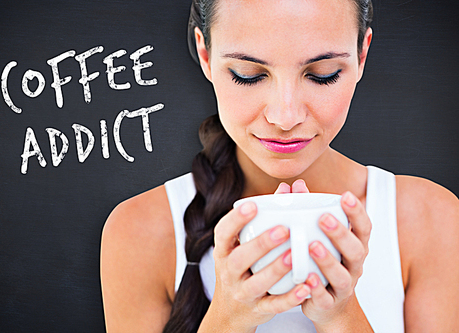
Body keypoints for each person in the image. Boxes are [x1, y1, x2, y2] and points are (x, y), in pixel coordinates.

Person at [100, 0, 459, 332]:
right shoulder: (140, 232)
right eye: (247, 74)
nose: (285, 117)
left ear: (362, 55)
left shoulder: (429, 219)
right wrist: (228, 317)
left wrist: (343, 315)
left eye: (323, 74)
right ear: (205, 55)